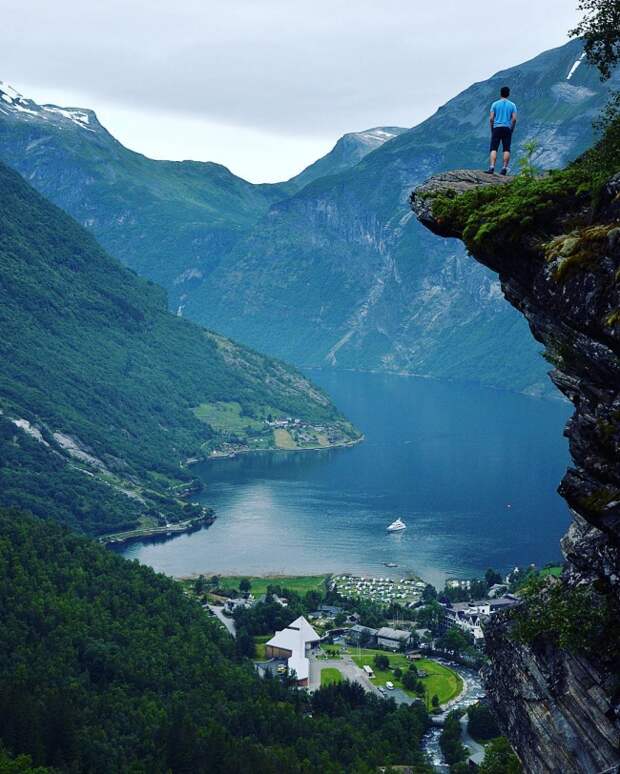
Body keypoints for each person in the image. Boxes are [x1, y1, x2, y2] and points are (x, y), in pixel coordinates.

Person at [487, 86, 517, 175]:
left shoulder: (495, 104)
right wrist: (511, 129)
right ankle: (504, 168)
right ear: (508, 94)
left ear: (500, 93)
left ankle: (492, 167)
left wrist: (492, 128)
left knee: (494, 148)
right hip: (507, 128)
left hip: (497, 128)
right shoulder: (512, 105)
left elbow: (491, 118)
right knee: (506, 149)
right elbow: (514, 119)